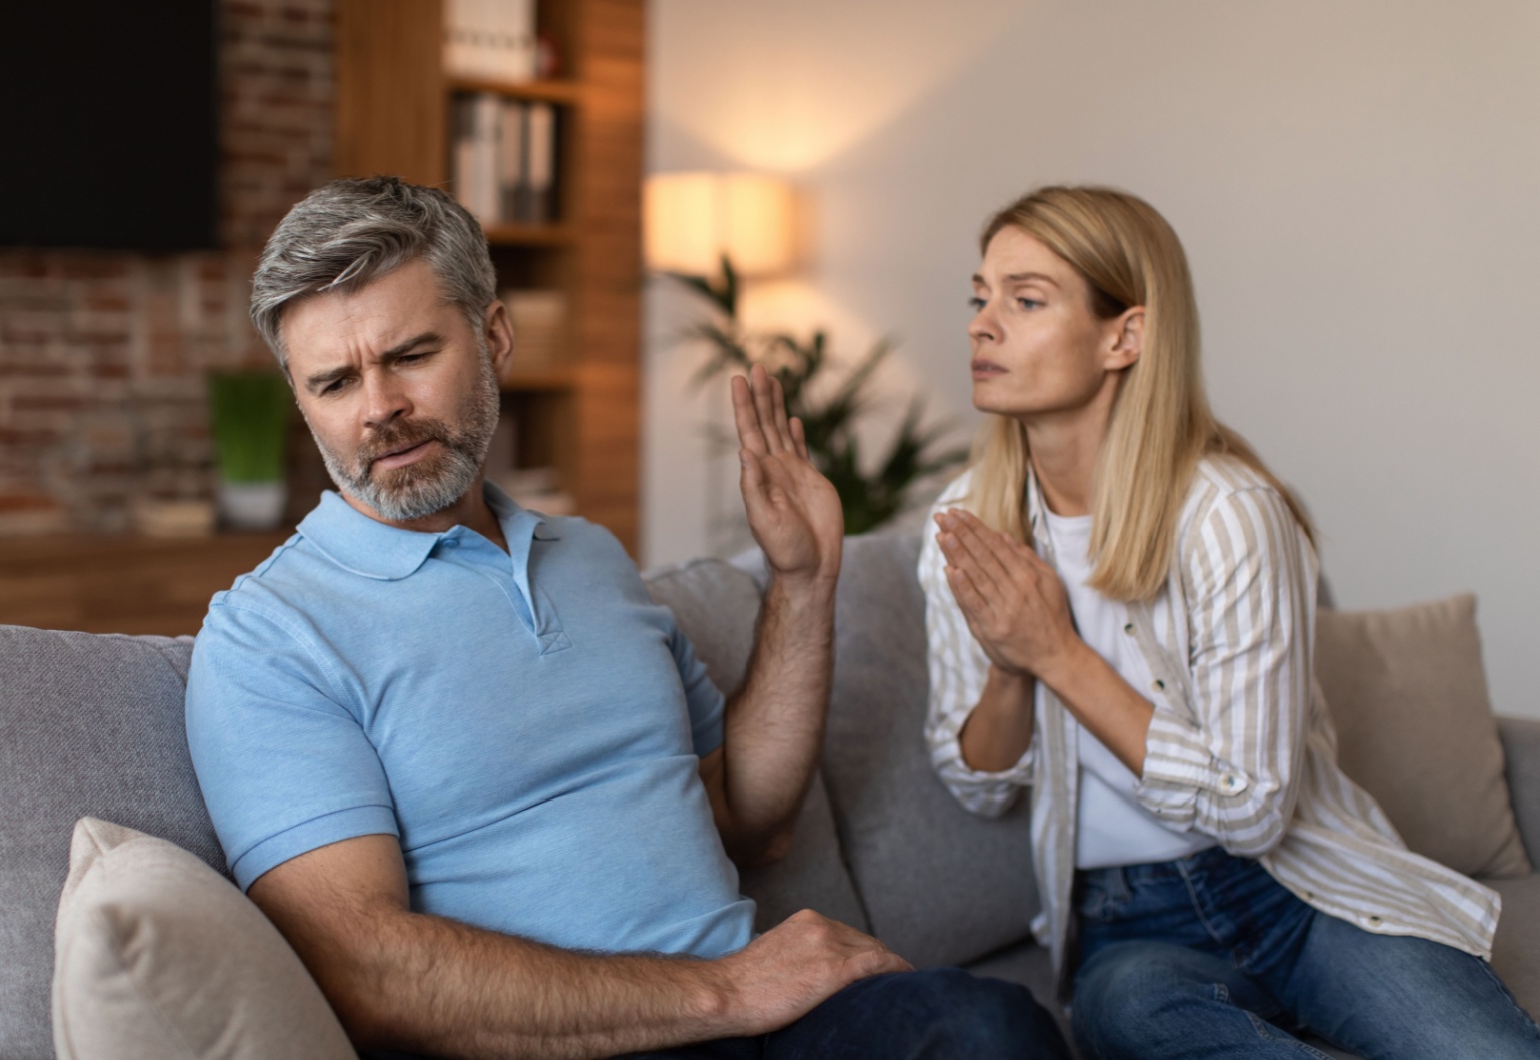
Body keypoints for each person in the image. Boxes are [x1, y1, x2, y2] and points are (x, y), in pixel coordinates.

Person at [185, 176, 1069, 1060]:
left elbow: (752, 823)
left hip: (756, 1021)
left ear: (493, 337)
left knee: (990, 1028)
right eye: (335, 382)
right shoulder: (271, 634)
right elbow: (365, 974)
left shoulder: (591, 559)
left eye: (411, 355)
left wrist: (802, 582)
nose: (378, 409)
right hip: (579, 1041)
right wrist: (727, 989)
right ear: (302, 404)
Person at [920, 184, 1540, 1059]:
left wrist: (1058, 654)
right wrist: (1010, 664)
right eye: (979, 296)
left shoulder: (1229, 514)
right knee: (1129, 1017)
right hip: (1129, 928)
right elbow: (977, 783)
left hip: (1300, 890)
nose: (983, 324)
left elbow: (1252, 813)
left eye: (1025, 300)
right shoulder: (965, 520)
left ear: (1124, 337)